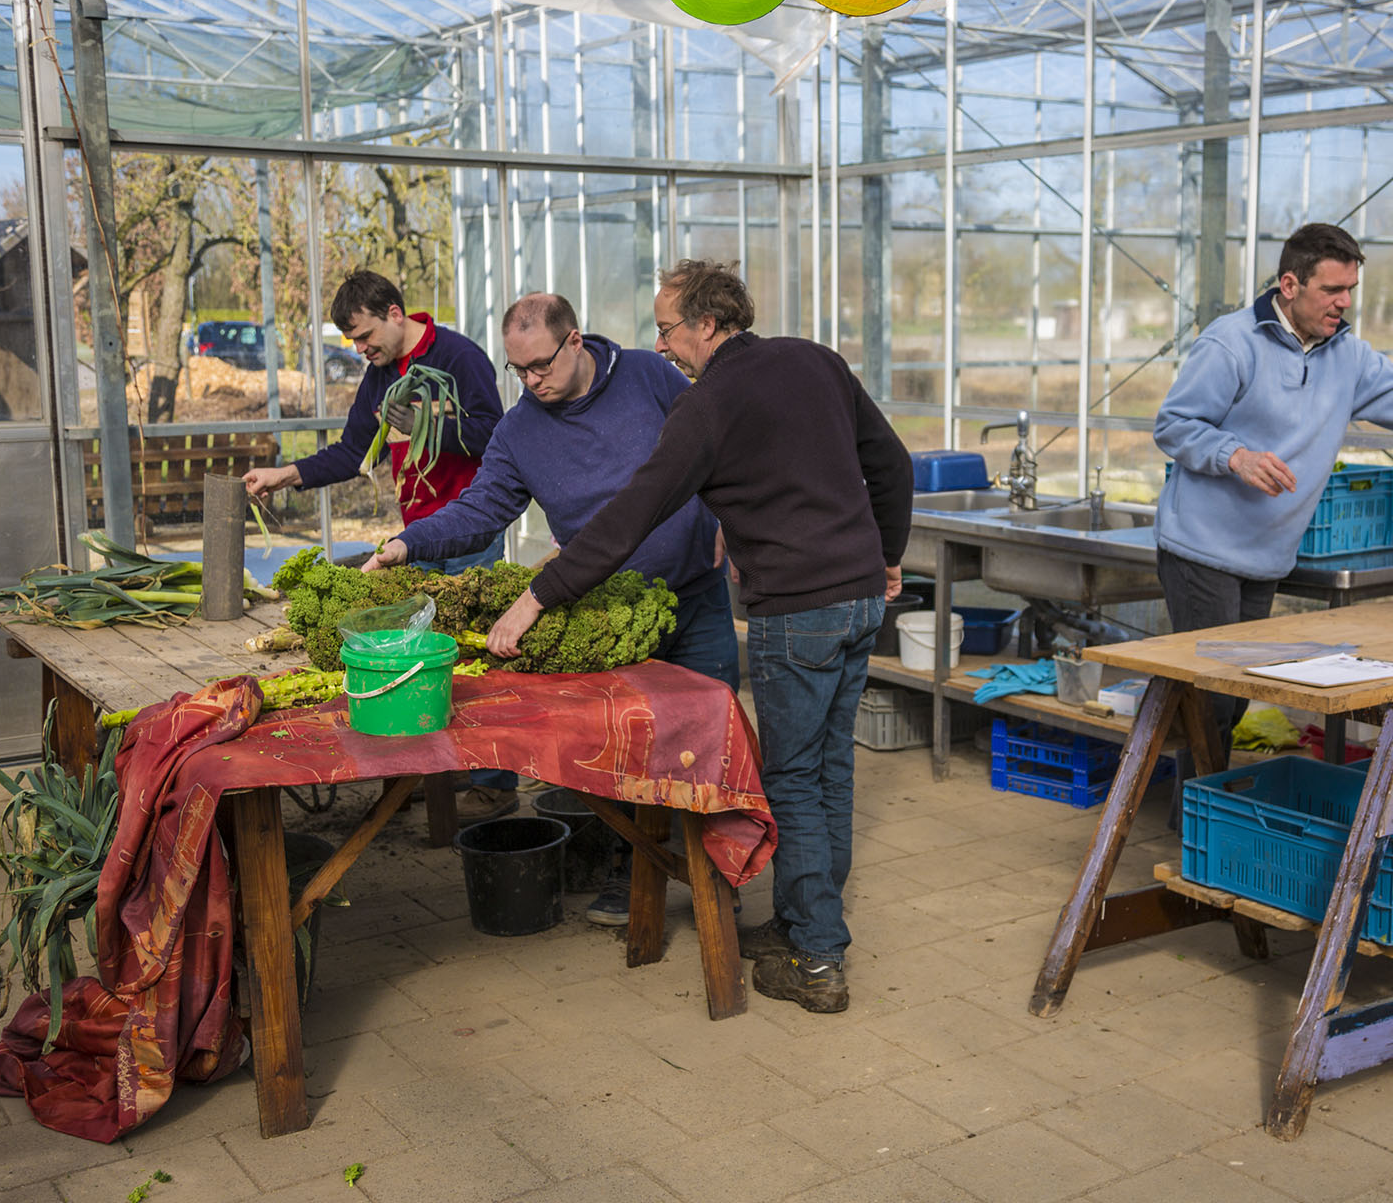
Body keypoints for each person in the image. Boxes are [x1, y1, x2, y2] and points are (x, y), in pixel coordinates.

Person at [485, 259, 912, 1014]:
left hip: (796, 613)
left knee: (795, 784)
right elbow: (893, 465)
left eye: (668, 328)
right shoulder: (816, 361)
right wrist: (886, 555)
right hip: (857, 605)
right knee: (830, 770)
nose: (660, 345)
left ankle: (817, 960)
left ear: (708, 325)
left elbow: (631, 513)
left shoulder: (707, 405)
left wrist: (535, 599)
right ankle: (804, 924)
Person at [361, 291, 738, 921]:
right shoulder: (520, 430)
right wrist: (408, 542)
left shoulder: (648, 375)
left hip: (694, 597)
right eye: (519, 370)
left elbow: (719, 447)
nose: (532, 382)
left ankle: (721, 877)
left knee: (711, 745)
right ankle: (631, 873)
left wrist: (730, 518)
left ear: (574, 341)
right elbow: (481, 511)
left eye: (541, 365)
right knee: (627, 755)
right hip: (604, 620)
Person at [1152, 222, 1393, 767]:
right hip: (1202, 549)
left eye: (1351, 291)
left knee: (1235, 695)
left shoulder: (1348, 357)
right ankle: (1195, 831)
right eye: (1332, 291)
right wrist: (1236, 456)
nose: (1343, 303)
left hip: (1265, 555)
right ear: (1290, 285)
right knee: (1211, 700)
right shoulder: (1230, 344)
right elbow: (1174, 425)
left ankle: (1197, 806)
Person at [242, 269, 506, 577]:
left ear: (394, 313)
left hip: (471, 535)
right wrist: (283, 476)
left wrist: (424, 427)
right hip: (417, 536)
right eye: (353, 341)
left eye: (365, 336)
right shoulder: (379, 377)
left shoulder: (459, 357)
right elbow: (353, 452)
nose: (359, 349)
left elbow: (494, 437)